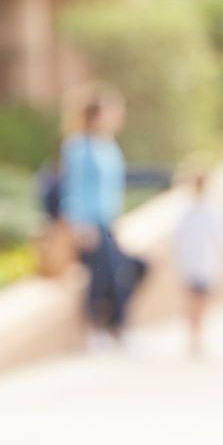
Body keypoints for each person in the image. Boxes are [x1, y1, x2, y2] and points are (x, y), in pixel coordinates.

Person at [58, 86, 148, 347]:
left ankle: (114, 324)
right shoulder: (78, 146)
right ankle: (104, 326)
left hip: (109, 222)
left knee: (138, 267)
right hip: (89, 225)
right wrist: (78, 225)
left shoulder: (108, 145)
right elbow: (72, 187)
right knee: (105, 272)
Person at [173, 165, 223, 357]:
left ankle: (196, 336)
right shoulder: (188, 211)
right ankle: (195, 336)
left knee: (200, 300)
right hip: (193, 263)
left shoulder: (216, 209)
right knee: (195, 300)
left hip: (206, 263)